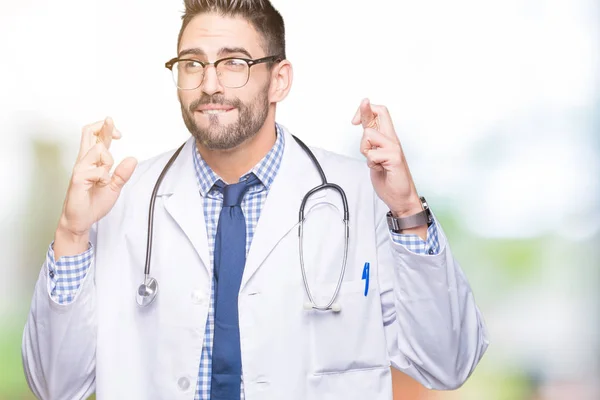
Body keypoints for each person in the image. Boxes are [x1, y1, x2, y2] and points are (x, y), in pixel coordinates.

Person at [21, 0, 489, 399]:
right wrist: (71, 232)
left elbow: (448, 363)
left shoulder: (358, 196)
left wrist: (408, 212)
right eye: (192, 63)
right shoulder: (120, 201)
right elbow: (55, 386)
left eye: (234, 62)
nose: (209, 84)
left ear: (280, 80)